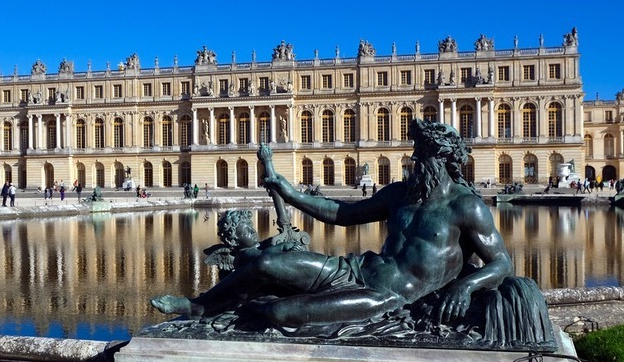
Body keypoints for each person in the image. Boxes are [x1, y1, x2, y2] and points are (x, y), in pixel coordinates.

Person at [152, 119, 513, 329]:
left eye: (420, 158)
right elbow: (342, 214)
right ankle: (200, 306)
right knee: (264, 262)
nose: (413, 162)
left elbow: (501, 263)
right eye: (414, 156)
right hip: (355, 269)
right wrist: (290, 194)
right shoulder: (399, 195)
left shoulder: (467, 207)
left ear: (441, 160)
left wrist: (467, 286)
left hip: (384, 296)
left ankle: (242, 312)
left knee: (280, 313)